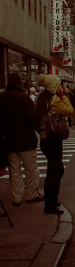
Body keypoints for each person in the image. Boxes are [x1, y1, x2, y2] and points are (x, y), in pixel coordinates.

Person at [0, 73, 43, 206]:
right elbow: (34, 119)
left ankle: (17, 197)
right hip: (26, 141)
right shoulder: (24, 99)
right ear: (19, 83)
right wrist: (38, 131)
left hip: (9, 141)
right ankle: (31, 194)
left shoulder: (2, 98)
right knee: (31, 169)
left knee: (15, 171)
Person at [36, 74, 73, 215]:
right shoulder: (54, 100)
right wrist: (62, 95)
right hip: (53, 140)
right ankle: (50, 205)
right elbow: (70, 110)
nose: (61, 87)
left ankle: (52, 200)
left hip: (46, 140)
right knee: (54, 172)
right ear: (54, 86)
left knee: (57, 169)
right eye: (58, 85)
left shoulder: (41, 99)